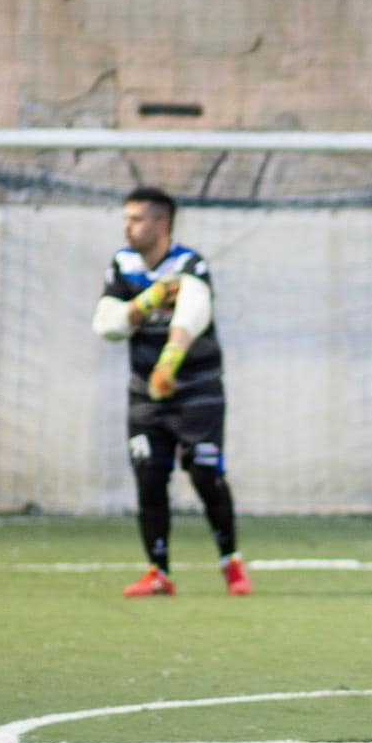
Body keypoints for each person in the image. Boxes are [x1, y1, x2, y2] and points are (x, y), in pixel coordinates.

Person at [92, 187, 251, 598]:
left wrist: (168, 363)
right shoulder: (123, 264)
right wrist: (150, 299)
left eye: (136, 219)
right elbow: (108, 324)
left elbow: (191, 314)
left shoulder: (190, 264)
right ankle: (158, 572)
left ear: (161, 224)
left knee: (204, 474)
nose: (128, 227)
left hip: (196, 388)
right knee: (149, 476)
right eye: (126, 219)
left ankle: (230, 561)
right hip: (144, 393)